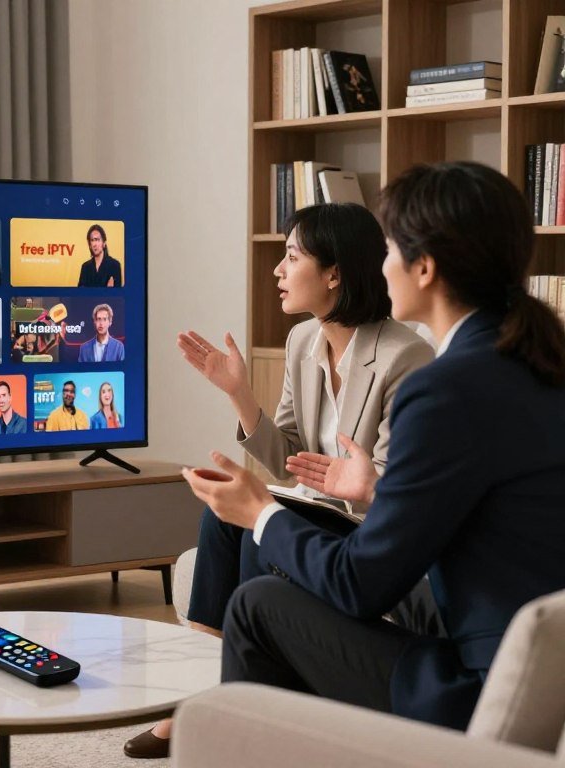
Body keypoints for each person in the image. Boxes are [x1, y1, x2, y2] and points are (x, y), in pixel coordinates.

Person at [184, 162, 565, 736]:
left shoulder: (442, 388)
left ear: (425, 267)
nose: (382, 265)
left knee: (257, 605)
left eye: (389, 248)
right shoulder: (537, 363)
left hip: (478, 685)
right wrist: (377, 487)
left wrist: (261, 513)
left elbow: (360, 586)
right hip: (523, 651)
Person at [124, 202, 434, 759]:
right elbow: (290, 456)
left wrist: (349, 483)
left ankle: (248, 707)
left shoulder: (404, 355)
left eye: (292, 256)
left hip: (365, 527)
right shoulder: (301, 341)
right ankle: (194, 697)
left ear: (334, 273)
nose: (278, 269)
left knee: (260, 526)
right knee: (223, 517)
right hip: (317, 509)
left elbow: (394, 486)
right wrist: (239, 395)